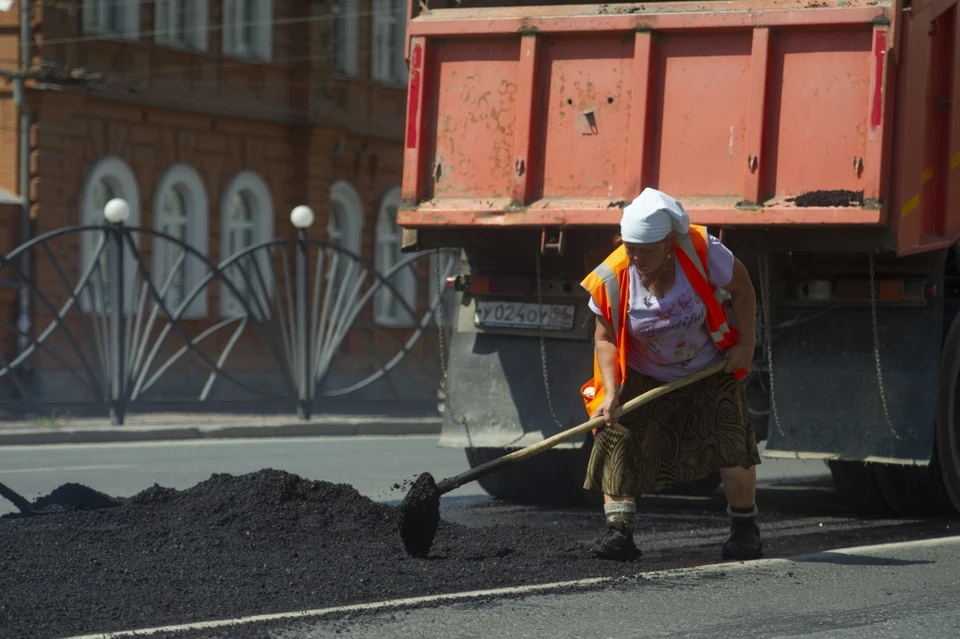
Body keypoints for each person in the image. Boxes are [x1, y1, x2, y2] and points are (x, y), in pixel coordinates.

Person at [579, 187, 763, 562]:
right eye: (630, 248)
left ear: (667, 242)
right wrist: (612, 391)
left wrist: (745, 346)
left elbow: (742, 289)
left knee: (733, 447)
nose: (636, 257)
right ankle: (619, 534)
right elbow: (604, 338)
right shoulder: (611, 278)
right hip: (644, 371)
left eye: (645, 250)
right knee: (615, 435)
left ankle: (745, 529)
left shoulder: (701, 251)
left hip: (708, 368)